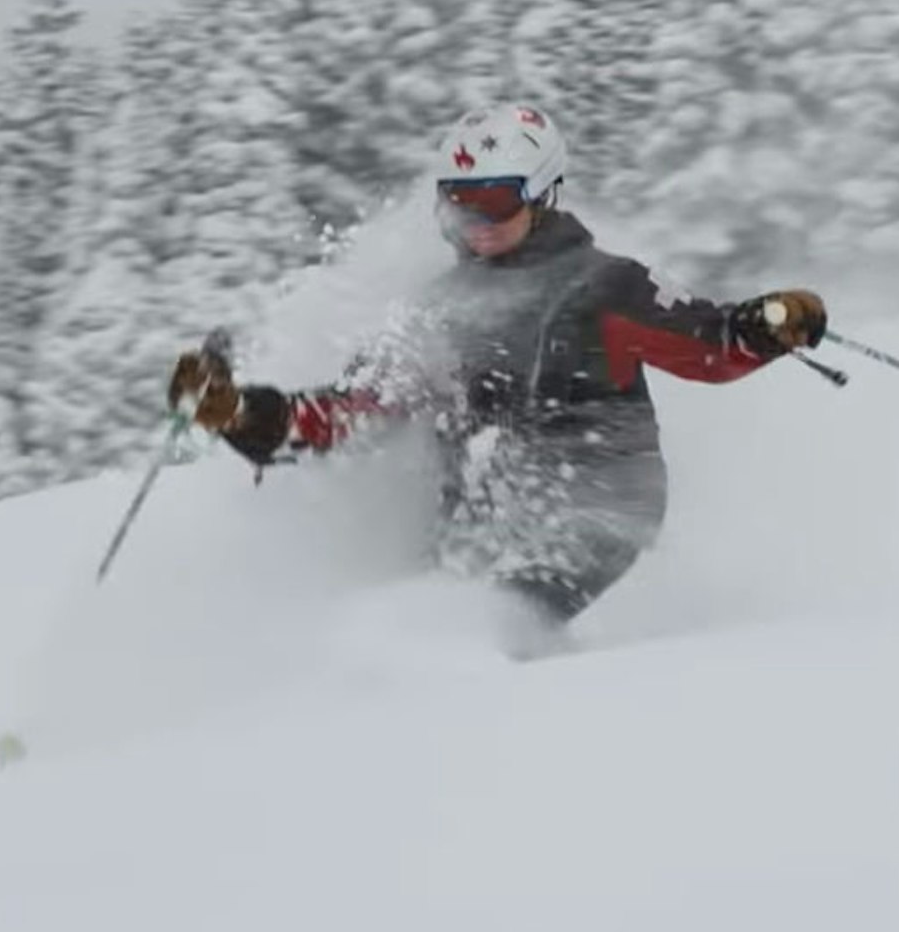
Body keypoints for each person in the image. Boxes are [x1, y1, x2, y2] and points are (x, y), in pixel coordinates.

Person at [166, 102, 827, 636]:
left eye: (495, 201)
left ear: (543, 196)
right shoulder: (437, 307)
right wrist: (245, 412)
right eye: (458, 203)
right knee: (402, 624)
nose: (475, 222)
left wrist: (766, 323)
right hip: (476, 520)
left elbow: (706, 345)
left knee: (460, 635)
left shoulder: (603, 286)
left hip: (594, 515)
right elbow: (354, 409)